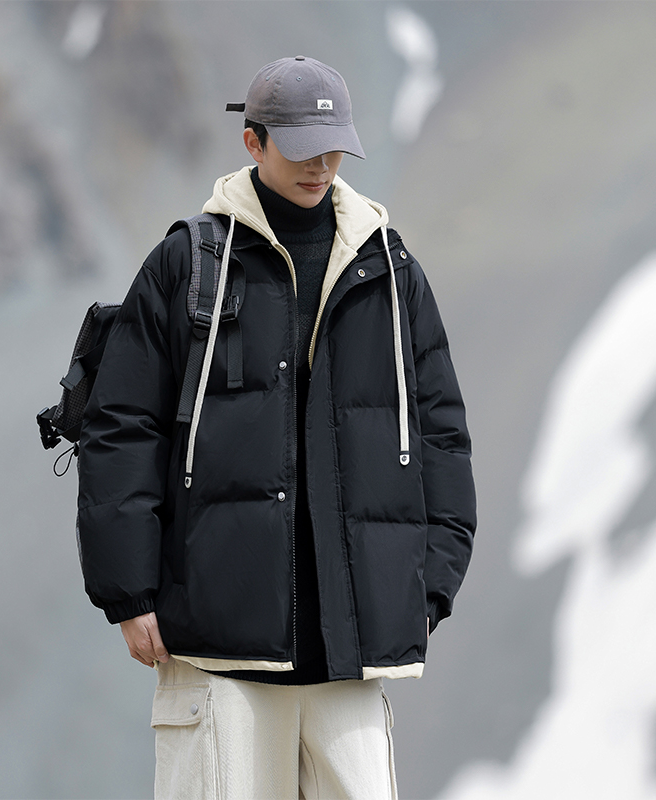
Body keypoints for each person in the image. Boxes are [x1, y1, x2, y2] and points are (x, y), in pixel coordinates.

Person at [77, 56, 476, 799]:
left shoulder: (390, 271)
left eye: (334, 147)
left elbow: (441, 433)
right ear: (253, 142)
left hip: (350, 656)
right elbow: (121, 428)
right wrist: (128, 593)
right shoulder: (187, 263)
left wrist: (428, 589)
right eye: (301, 148)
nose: (321, 165)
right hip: (218, 651)